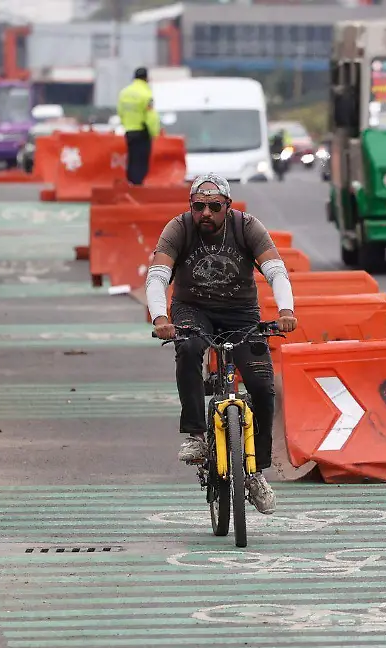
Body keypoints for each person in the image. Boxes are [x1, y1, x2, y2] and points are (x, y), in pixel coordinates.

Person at [145, 174, 298, 514]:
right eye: (199, 206)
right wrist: (160, 320)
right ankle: (196, 436)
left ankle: (256, 471)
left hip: (241, 313)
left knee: (261, 384)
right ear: (191, 207)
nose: (206, 213)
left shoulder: (248, 227)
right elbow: (157, 276)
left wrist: (286, 311)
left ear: (228, 206)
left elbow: (276, 271)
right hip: (192, 309)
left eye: (215, 206)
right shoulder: (178, 229)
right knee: (188, 349)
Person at [117, 67, 161, 185]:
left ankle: (131, 182)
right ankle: (138, 185)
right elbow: (151, 116)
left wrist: (126, 124)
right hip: (142, 131)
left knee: (132, 158)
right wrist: (154, 132)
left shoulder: (124, 93)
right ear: (146, 78)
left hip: (129, 131)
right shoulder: (146, 94)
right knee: (141, 160)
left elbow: (120, 112)